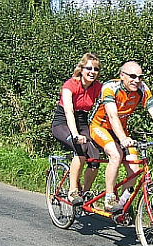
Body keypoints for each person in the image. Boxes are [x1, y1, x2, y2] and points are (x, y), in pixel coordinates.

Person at [89, 61, 153, 212]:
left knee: (134, 167)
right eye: (132, 76)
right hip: (100, 127)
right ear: (122, 75)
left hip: (121, 130)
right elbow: (113, 116)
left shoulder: (142, 89)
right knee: (116, 155)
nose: (137, 80)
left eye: (140, 77)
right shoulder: (110, 87)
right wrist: (122, 139)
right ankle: (109, 198)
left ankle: (121, 205)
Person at [52, 53, 102, 205]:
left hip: (82, 122)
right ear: (81, 69)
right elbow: (69, 111)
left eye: (96, 69)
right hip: (63, 123)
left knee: (95, 156)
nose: (92, 72)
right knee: (79, 148)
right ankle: (73, 191)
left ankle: (85, 194)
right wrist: (75, 134)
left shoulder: (98, 87)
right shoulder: (70, 85)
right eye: (89, 68)